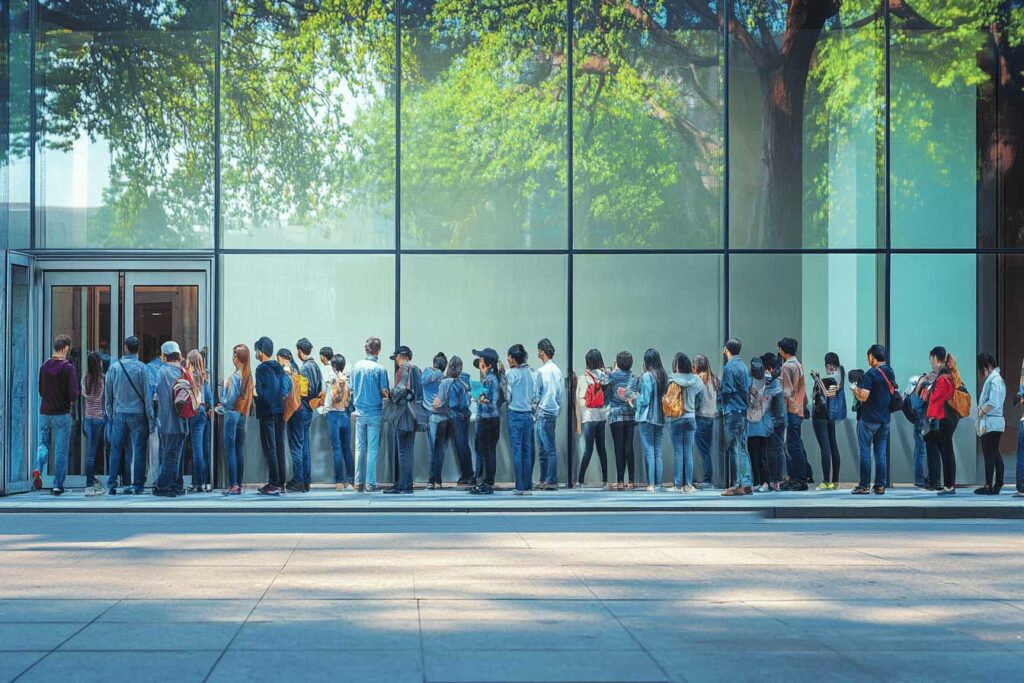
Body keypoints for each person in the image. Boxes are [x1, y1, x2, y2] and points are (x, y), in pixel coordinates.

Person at [104, 336, 155, 495]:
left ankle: (112, 483)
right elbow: (147, 395)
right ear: (137, 349)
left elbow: (108, 394)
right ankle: (138, 484)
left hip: (119, 413)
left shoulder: (114, 368)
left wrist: (110, 414)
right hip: (139, 414)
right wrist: (150, 417)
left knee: (116, 449)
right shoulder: (142, 368)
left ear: (126, 348)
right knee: (139, 449)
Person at [35, 334, 79, 495]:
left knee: (43, 443)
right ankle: (57, 485)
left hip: (45, 412)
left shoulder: (44, 366)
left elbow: (40, 390)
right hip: (62, 414)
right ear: (66, 348)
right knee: (61, 450)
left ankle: (38, 468)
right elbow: (73, 393)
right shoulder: (68, 368)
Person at [850, 344, 896, 496]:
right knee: (881, 454)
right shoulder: (890, 371)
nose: (867, 358)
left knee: (865, 453)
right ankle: (880, 486)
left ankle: (864, 486)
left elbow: (864, 396)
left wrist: (855, 389)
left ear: (872, 357)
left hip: (869, 419)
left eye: (868, 355)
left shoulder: (871, 374)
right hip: (884, 420)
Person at [351, 337, 390, 492]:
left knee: (359, 448)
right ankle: (370, 483)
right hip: (374, 412)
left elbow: (351, 388)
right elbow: (384, 392)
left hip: (359, 412)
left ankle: (358, 482)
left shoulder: (356, 367)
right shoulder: (380, 369)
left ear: (365, 349)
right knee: (372, 449)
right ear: (378, 350)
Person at [283, 339, 322, 493]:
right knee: (305, 445)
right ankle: (306, 480)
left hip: (302, 408)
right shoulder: (316, 367)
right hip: (310, 409)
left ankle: (298, 480)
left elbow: (303, 391)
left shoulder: (304, 368)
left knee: (297, 446)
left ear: (299, 351)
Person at [254, 336, 291, 496]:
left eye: (256, 350)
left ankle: (274, 483)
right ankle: (281, 482)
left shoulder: (261, 369)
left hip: (268, 413)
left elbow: (263, 392)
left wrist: (262, 399)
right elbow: (285, 386)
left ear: (260, 352)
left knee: (270, 448)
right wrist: (279, 398)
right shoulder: (278, 366)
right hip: (280, 411)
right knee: (279, 447)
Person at [153, 341, 189, 497]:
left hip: (166, 420)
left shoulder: (161, 372)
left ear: (164, 356)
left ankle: (162, 486)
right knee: (177, 456)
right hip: (183, 419)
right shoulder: (183, 371)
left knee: (170, 456)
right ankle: (176, 484)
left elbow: (153, 393)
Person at [219, 343, 254, 496]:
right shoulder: (248, 376)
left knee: (230, 450)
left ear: (237, 358)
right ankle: (238, 484)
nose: (232, 357)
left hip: (232, 414)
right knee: (239, 450)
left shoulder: (233, 378)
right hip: (242, 415)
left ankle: (233, 485)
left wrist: (221, 391)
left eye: (234, 355)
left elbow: (228, 401)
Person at [383, 346, 418, 495]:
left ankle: (403, 485)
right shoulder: (417, 370)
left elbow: (401, 388)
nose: (396, 360)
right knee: (408, 450)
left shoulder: (403, 368)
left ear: (401, 356)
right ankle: (407, 483)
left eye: (396, 357)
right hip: (413, 412)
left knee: (403, 451)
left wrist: (391, 395)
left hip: (403, 413)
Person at [924, 346, 959, 495]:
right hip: (948, 418)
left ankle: (949, 486)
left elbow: (936, 399)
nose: (930, 362)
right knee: (947, 451)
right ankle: (949, 485)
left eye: (931, 359)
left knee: (947, 452)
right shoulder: (948, 374)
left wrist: (927, 390)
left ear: (935, 359)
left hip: (945, 418)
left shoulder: (943, 377)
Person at [720, 340, 753, 496]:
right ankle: (746, 483)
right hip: (743, 410)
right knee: (742, 448)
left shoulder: (729, 367)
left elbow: (727, 390)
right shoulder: (744, 366)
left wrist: (721, 399)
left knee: (733, 449)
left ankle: (735, 484)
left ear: (726, 349)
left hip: (732, 410)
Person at [667, 353, 703, 493]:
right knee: (688, 452)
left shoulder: (671, 379)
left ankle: (677, 485)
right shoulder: (697, 380)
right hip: (690, 417)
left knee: (678, 452)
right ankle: (688, 485)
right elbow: (700, 397)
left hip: (676, 418)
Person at [633, 348, 667, 493]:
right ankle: (658, 483)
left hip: (647, 417)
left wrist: (635, 398)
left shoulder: (647, 376)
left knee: (649, 451)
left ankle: (651, 484)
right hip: (660, 417)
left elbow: (645, 399)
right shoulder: (664, 375)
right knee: (658, 452)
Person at [811, 352, 846, 490]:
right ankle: (835, 481)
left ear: (830, 365)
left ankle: (826, 481)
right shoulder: (841, 373)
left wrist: (817, 379)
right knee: (833, 446)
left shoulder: (831, 379)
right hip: (831, 415)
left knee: (824, 448)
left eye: (827, 366)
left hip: (822, 415)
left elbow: (827, 393)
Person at [778, 337, 809, 491]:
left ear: (783, 351)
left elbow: (786, 392)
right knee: (795, 445)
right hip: (799, 408)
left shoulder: (786, 367)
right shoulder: (799, 364)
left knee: (792, 447)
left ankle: (798, 479)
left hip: (790, 410)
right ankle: (798, 478)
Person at [576, 349, 610, 488]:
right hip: (601, 415)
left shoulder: (584, 377)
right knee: (602, 449)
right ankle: (605, 479)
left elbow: (580, 399)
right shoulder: (604, 377)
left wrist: (581, 416)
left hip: (589, 417)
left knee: (588, 449)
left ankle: (580, 479)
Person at [504, 344, 536, 495]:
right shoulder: (532, 372)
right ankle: (528, 485)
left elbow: (507, 396)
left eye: (509, 357)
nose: (508, 360)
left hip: (515, 413)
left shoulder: (511, 374)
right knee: (527, 450)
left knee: (517, 451)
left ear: (513, 358)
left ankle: (520, 486)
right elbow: (535, 394)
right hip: (528, 414)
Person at [469, 348, 501, 495]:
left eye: (481, 360)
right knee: (490, 451)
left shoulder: (489, 379)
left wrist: (479, 398)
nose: (479, 362)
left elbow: (491, 401)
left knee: (486, 451)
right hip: (493, 420)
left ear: (487, 364)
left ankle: (487, 483)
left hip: (488, 420)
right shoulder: (493, 377)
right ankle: (489, 481)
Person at [533, 338, 563, 490]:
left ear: (541, 352)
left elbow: (537, 395)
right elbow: (559, 394)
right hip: (553, 412)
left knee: (545, 449)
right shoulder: (557, 370)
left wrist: (534, 409)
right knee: (549, 447)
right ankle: (547, 479)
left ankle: (549, 480)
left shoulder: (541, 371)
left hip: (542, 412)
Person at [607, 351, 639, 490]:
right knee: (629, 447)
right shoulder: (635, 377)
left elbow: (604, 383)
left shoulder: (612, 376)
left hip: (616, 415)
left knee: (618, 448)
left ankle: (620, 480)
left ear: (618, 363)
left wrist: (613, 369)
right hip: (630, 415)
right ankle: (631, 481)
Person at [322, 354, 354, 491]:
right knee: (347, 448)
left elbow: (332, 399)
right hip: (345, 415)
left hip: (333, 415)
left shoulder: (333, 379)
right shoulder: (347, 378)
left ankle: (339, 482)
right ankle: (352, 481)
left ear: (333, 366)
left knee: (337, 449)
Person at [975, 353, 1005, 495]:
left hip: (991, 421)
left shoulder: (994, 380)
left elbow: (993, 401)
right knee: (995, 453)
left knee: (989, 455)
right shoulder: (997, 379)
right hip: (995, 421)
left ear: (986, 366)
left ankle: (988, 486)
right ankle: (997, 483)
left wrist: (981, 411)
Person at [185, 349, 213, 493]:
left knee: (196, 450)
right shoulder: (204, 376)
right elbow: (209, 398)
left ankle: (198, 482)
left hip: (194, 413)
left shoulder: (189, 376)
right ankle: (206, 481)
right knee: (204, 449)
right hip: (204, 413)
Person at [81, 351, 107, 496]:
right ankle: (90, 485)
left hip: (88, 418)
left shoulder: (85, 378)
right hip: (98, 418)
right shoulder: (100, 379)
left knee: (91, 451)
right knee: (94, 452)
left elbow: (85, 396)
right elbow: (102, 398)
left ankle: (92, 483)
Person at [693, 354, 719, 488]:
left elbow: (696, 401)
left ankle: (707, 479)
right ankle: (708, 478)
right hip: (712, 418)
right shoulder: (714, 379)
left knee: (703, 451)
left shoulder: (698, 379)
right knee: (707, 449)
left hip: (700, 417)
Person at [761, 353, 786, 492]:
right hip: (780, 418)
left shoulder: (772, 380)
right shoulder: (779, 376)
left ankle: (774, 480)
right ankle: (777, 480)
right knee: (779, 449)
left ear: (768, 367)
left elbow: (768, 400)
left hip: (773, 419)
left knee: (772, 450)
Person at [746, 356, 770, 492]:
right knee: (763, 453)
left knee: (753, 452)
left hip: (751, 422)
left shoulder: (749, 381)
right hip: (764, 420)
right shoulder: (768, 379)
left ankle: (756, 481)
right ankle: (765, 482)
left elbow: (747, 400)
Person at [422, 352, 447, 457]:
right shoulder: (445, 378)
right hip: (444, 415)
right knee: (441, 449)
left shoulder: (426, 373)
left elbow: (423, 381)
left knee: (431, 448)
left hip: (430, 413)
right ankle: (437, 473)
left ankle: (432, 472)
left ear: (434, 364)